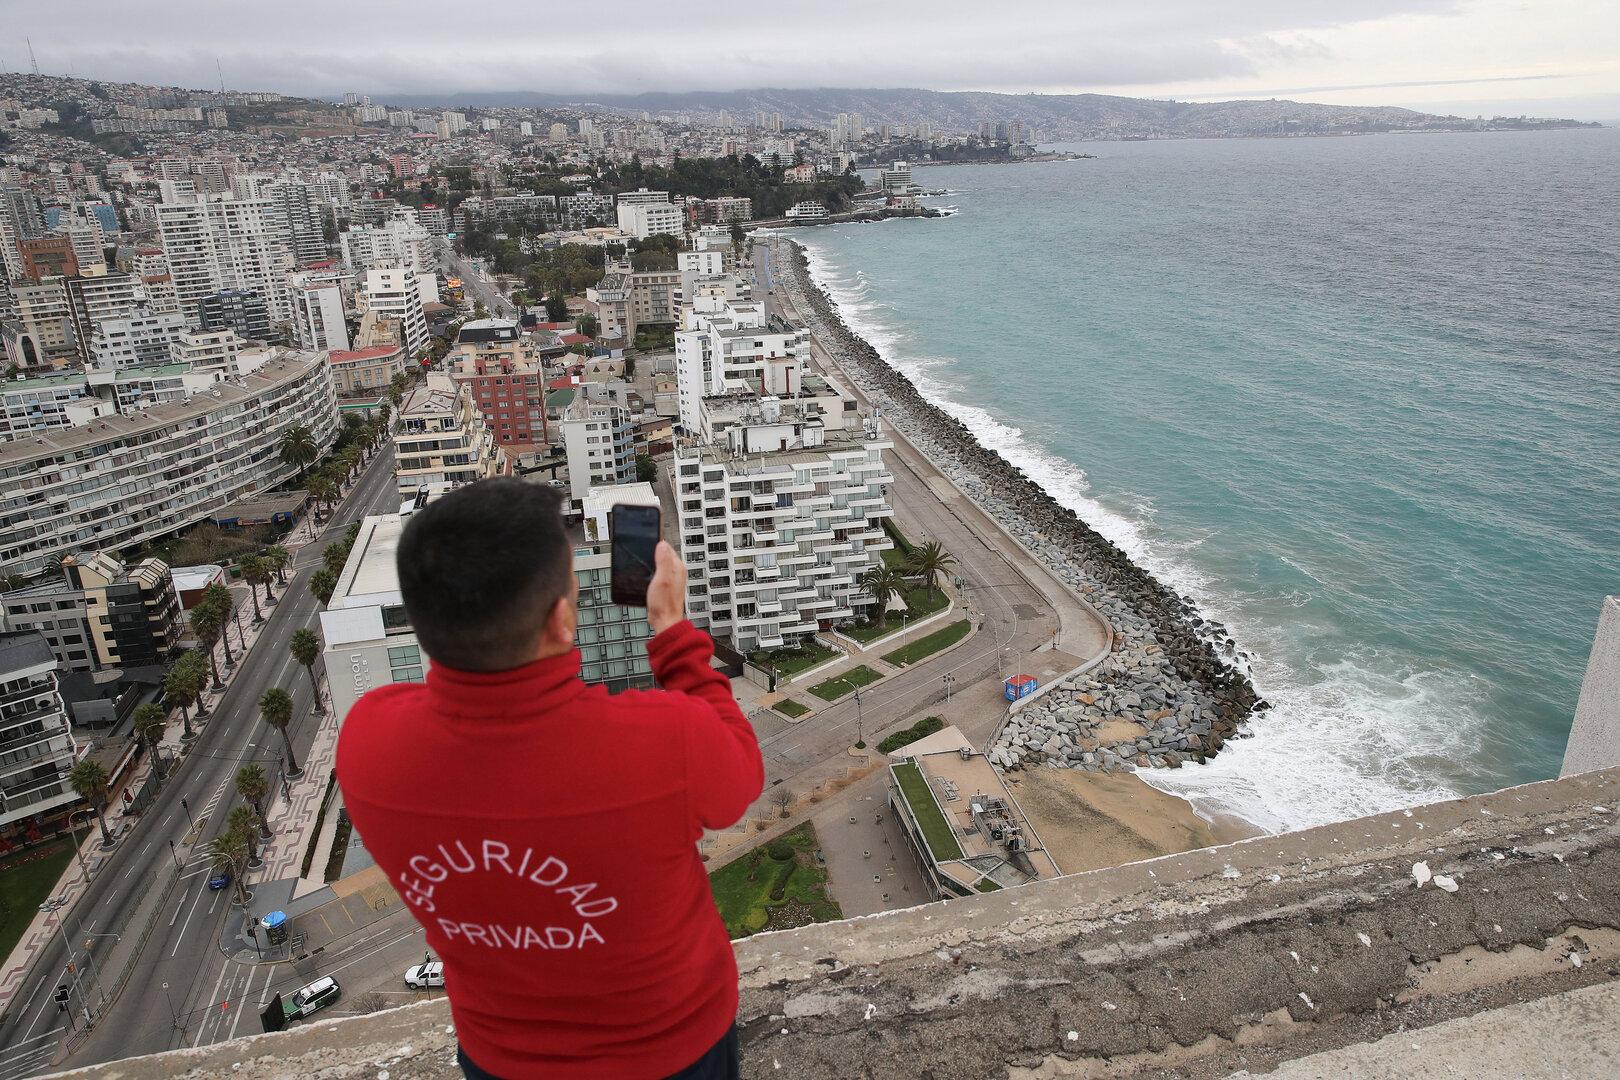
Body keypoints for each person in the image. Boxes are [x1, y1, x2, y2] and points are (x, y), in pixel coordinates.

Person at [336, 479, 763, 1079]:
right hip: (672, 1051)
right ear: (563, 621)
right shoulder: (662, 742)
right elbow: (740, 778)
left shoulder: (367, 744)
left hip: (500, 1059)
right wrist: (672, 634)